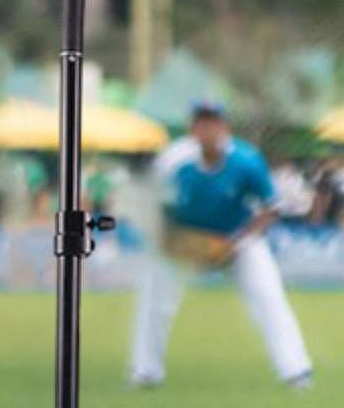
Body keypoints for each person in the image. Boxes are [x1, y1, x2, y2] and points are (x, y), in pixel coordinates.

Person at [128, 101, 312, 389]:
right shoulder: (174, 161)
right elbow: (156, 208)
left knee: (268, 295)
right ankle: (146, 371)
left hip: (236, 238)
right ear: (192, 128)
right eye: (201, 122)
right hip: (183, 239)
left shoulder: (246, 161)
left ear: (225, 128)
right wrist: (178, 245)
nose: (207, 128)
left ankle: (295, 370)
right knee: (155, 299)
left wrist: (237, 243)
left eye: (213, 122)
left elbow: (271, 208)